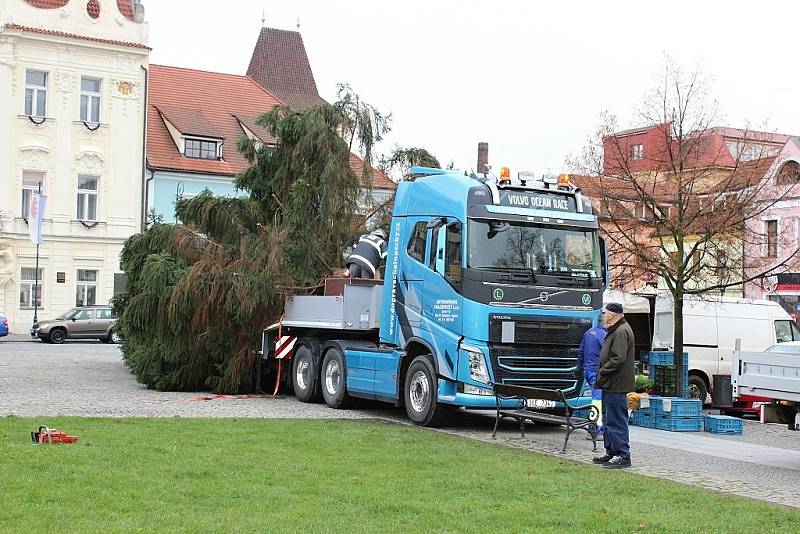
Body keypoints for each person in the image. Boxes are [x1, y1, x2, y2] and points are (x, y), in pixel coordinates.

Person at [592, 302, 635, 469]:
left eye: (606, 312)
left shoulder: (621, 331)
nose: (604, 315)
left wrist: (602, 371)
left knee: (617, 421)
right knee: (609, 419)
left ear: (613, 315)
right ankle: (611, 452)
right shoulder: (616, 330)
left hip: (617, 384)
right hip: (611, 384)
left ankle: (623, 455)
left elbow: (618, 359)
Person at [576, 312, 607, 439]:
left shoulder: (589, 332)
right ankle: (595, 430)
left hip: (587, 370)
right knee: (597, 400)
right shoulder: (604, 335)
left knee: (596, 399)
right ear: (604, 321)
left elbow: (581, 352)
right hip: (597, 371)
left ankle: (596, 428)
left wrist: (579, 368)